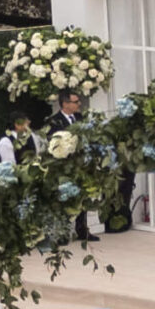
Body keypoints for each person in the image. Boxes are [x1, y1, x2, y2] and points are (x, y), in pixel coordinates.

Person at [48, 91, 96, 242]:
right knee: (65, 197)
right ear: (65, 104)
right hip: (64, 165)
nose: (79, 104)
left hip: (81, 164)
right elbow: (53, 143)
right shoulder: (54, 121)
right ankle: (62, 233)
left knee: (82, 196)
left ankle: (82, 229)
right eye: (75, 102)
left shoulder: (80, 118)